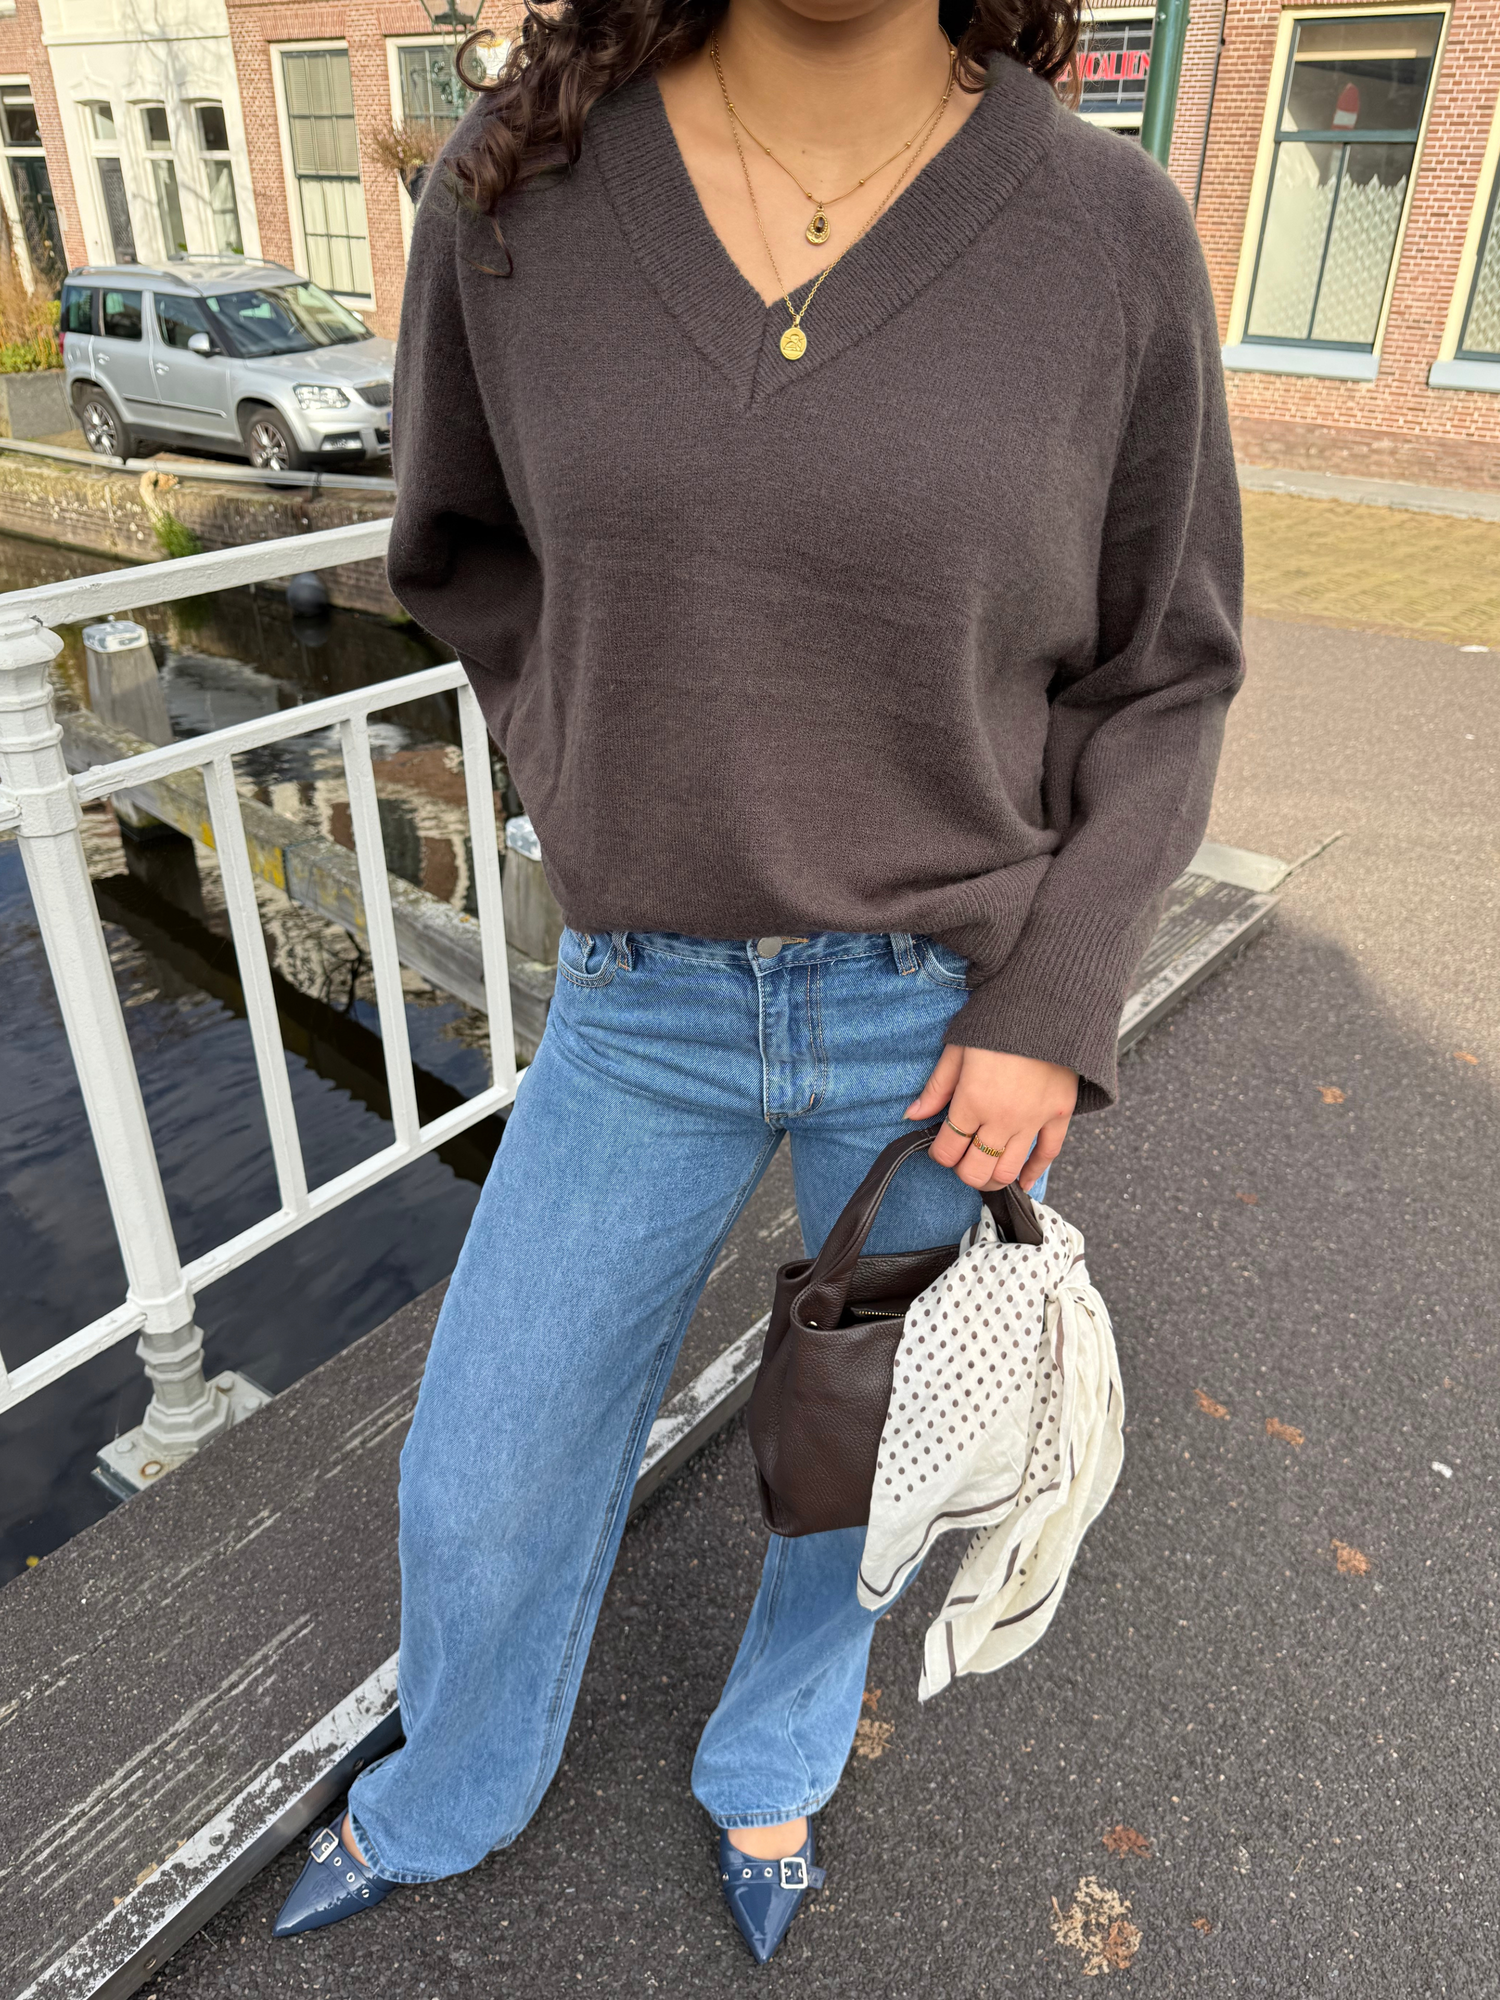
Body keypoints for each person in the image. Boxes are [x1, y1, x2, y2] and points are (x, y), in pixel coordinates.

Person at [272, 0, 1243, 1964]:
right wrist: (589, 768)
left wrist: (1054, 1005)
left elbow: (1165, 672)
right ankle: (454, 1784)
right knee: (483, 1473)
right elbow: (461, 553)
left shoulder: (1107, 235)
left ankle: (772, 1767)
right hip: (643, 1002)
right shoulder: (517, 188)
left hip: (944, 1019)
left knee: (855, 1459)